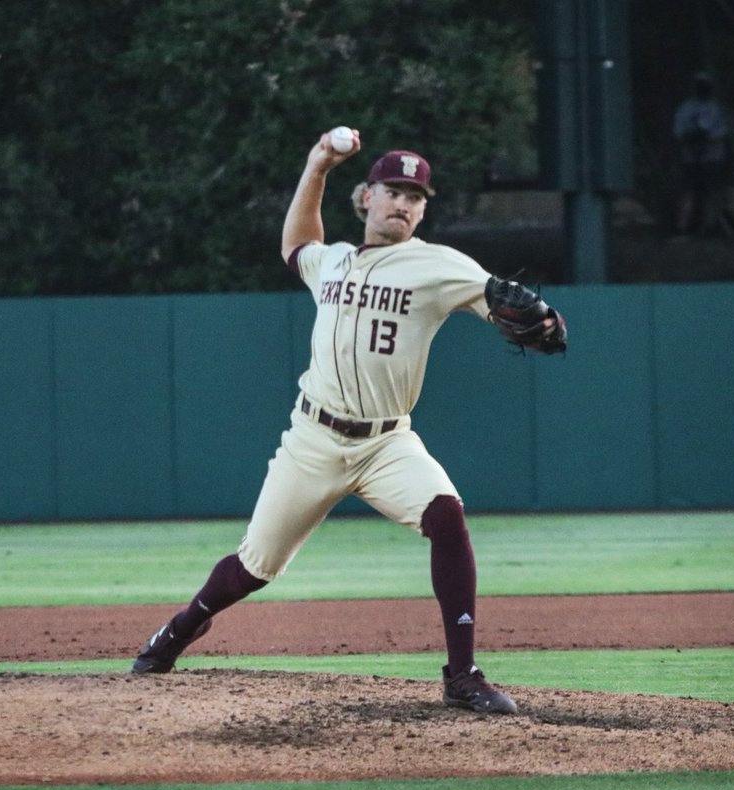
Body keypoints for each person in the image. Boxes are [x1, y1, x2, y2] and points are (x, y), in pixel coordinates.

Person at [129, 128, 567, 715]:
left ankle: (462, 675)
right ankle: (178, 631)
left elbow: (500, 301)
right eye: (393, 191)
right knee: (255, 566)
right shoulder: (332, 261)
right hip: (312, 440)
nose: (404, 203)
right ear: (366, 198)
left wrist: (545, 323)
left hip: (387, 442)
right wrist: (317, 167)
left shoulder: (438, 265)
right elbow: (295, 246)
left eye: (416, 196)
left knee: (447, 516)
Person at [672, 71, 731, 237]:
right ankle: (683, 228)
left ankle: (711, 226)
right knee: (688, 192)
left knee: (713, 192)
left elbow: (722, 132)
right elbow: (678, 133)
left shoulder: (717, 107)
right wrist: (692, 141)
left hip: (712, 157)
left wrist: (706, 140)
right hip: (690, 157)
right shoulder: (686, 108)